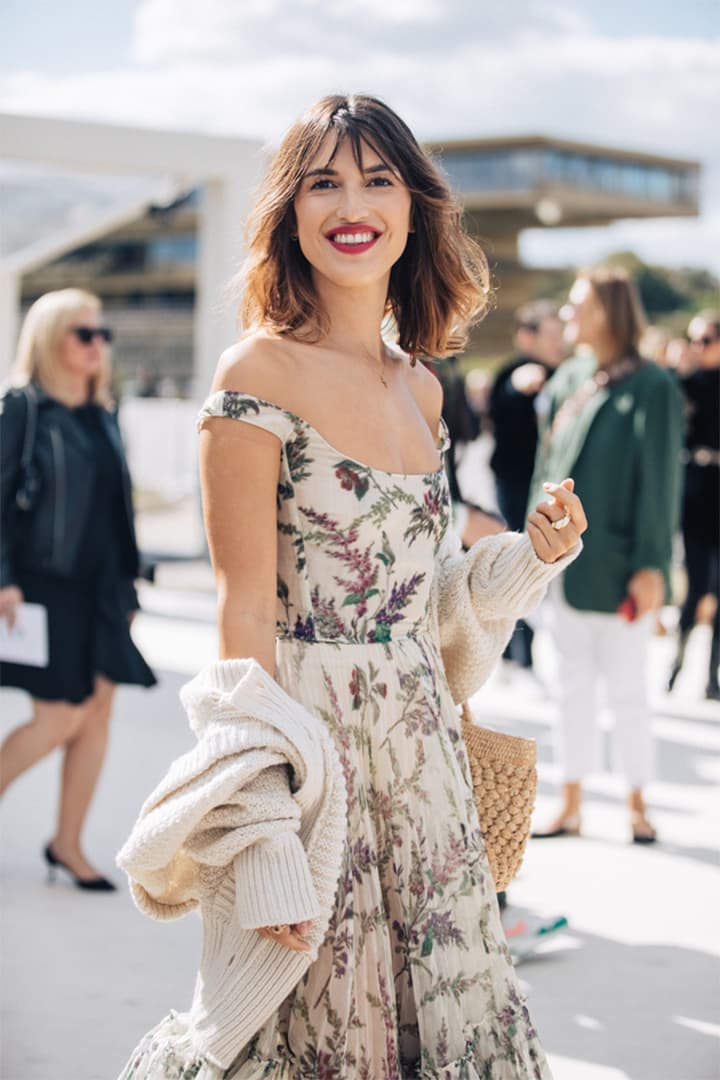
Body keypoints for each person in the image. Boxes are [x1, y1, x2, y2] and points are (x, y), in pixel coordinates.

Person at [116, 94, 585, 1079]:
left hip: (426, 767)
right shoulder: (257, 371)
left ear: (414, 206)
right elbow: (241, 609)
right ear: (290, 213)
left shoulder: (423, 385)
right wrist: (263, 833)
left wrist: (532, 556)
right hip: (313, 759)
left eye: (377, 178)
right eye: (322, 180)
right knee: (314, 1032)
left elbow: (426, 602)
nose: (350, 202)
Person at [0, 288, 156, 890]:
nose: (98, 345)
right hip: (43, 583)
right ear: (49, 339)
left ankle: (67, 843)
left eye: (102, 334)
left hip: (102, 587)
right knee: (60, 716)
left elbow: (118, 511)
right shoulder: (22, 409)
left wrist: (129, 590)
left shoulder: (103, 413)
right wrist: (5, 578)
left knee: (95, 716)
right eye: (82, 333)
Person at [531, 268, 682, 844]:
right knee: (569, 686)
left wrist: (653, 566)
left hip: (623, 569)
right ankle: (570, 803)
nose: (568, 317)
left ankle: (638, 804)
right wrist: (529, 551)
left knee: (627, 692)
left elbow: (660, 484)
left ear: (607, 312)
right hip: (563, 566)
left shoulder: (653, 386)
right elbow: (547, 471)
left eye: (577, 306)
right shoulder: (570, 376)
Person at [489, 301, 566, 669]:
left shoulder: (566, 375)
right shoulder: (515, 373)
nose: (559, 342)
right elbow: (507, 395)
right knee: (522, 556)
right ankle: (518, 652)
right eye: (551, 334)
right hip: (516, 484)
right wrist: (523, 385)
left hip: (549, 486)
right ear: (527, 336)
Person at [667, 311, 720, 699]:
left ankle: (712, 676)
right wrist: (676, 367)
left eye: (706, 340)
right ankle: (677, 664)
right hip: (697, 493)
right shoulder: (684, 384)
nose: (698, 347)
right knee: (695, 584)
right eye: (695, 340)